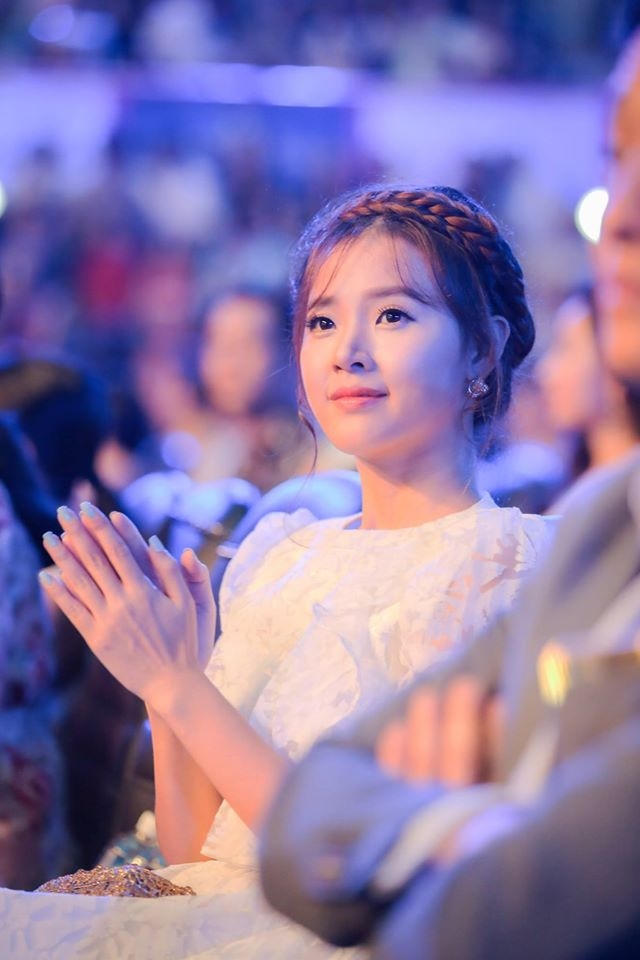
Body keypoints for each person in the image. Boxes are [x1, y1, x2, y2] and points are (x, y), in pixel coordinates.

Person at [4, 185, 554, 958]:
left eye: (393, 315)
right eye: (322, 321)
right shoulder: (281, 553)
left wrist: (179, 685)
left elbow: (358, 866)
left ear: (482, 350)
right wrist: (169, 683)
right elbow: (195, 854)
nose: (347, 350)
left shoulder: (509, 562)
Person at [256, 29, 640, 959]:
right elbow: (298, 823)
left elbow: (533, 897)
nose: (620, 217)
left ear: (484, 353)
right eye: (617, 160)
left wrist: (436, 837)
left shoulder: (520, 551)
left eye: (393, 314)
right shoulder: (605, 526)